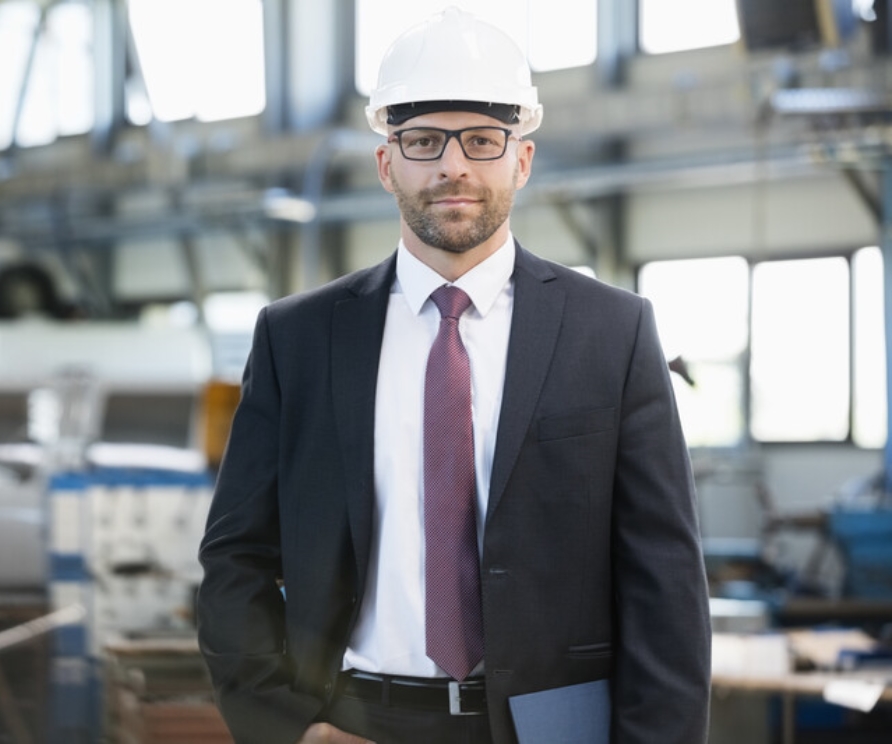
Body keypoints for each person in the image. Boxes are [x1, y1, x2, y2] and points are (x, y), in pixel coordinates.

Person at [197, 7, 711, 744]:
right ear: (387, 164)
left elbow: (665, 581)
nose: (453, 166)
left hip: (550, 727)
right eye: (423, 141)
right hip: (354, 721)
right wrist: (289, 728)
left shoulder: (611, 332)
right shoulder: (299, 339)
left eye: (482, 140)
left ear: (521, 160)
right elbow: (236, 558)